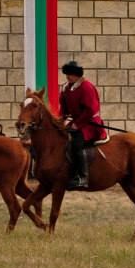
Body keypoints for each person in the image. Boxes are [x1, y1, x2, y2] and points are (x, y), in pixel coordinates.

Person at [58, 60, 106, 189]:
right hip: (75, 121)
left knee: (76, 144)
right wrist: (61, 119)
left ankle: (82, 177)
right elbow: (63, 107)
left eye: (70, 74)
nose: (67, 76)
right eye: (67, 74)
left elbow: (90, 110)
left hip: (89, 123)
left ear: (77, 75)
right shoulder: (67, 88)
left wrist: (77, 124)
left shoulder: (86, 87)